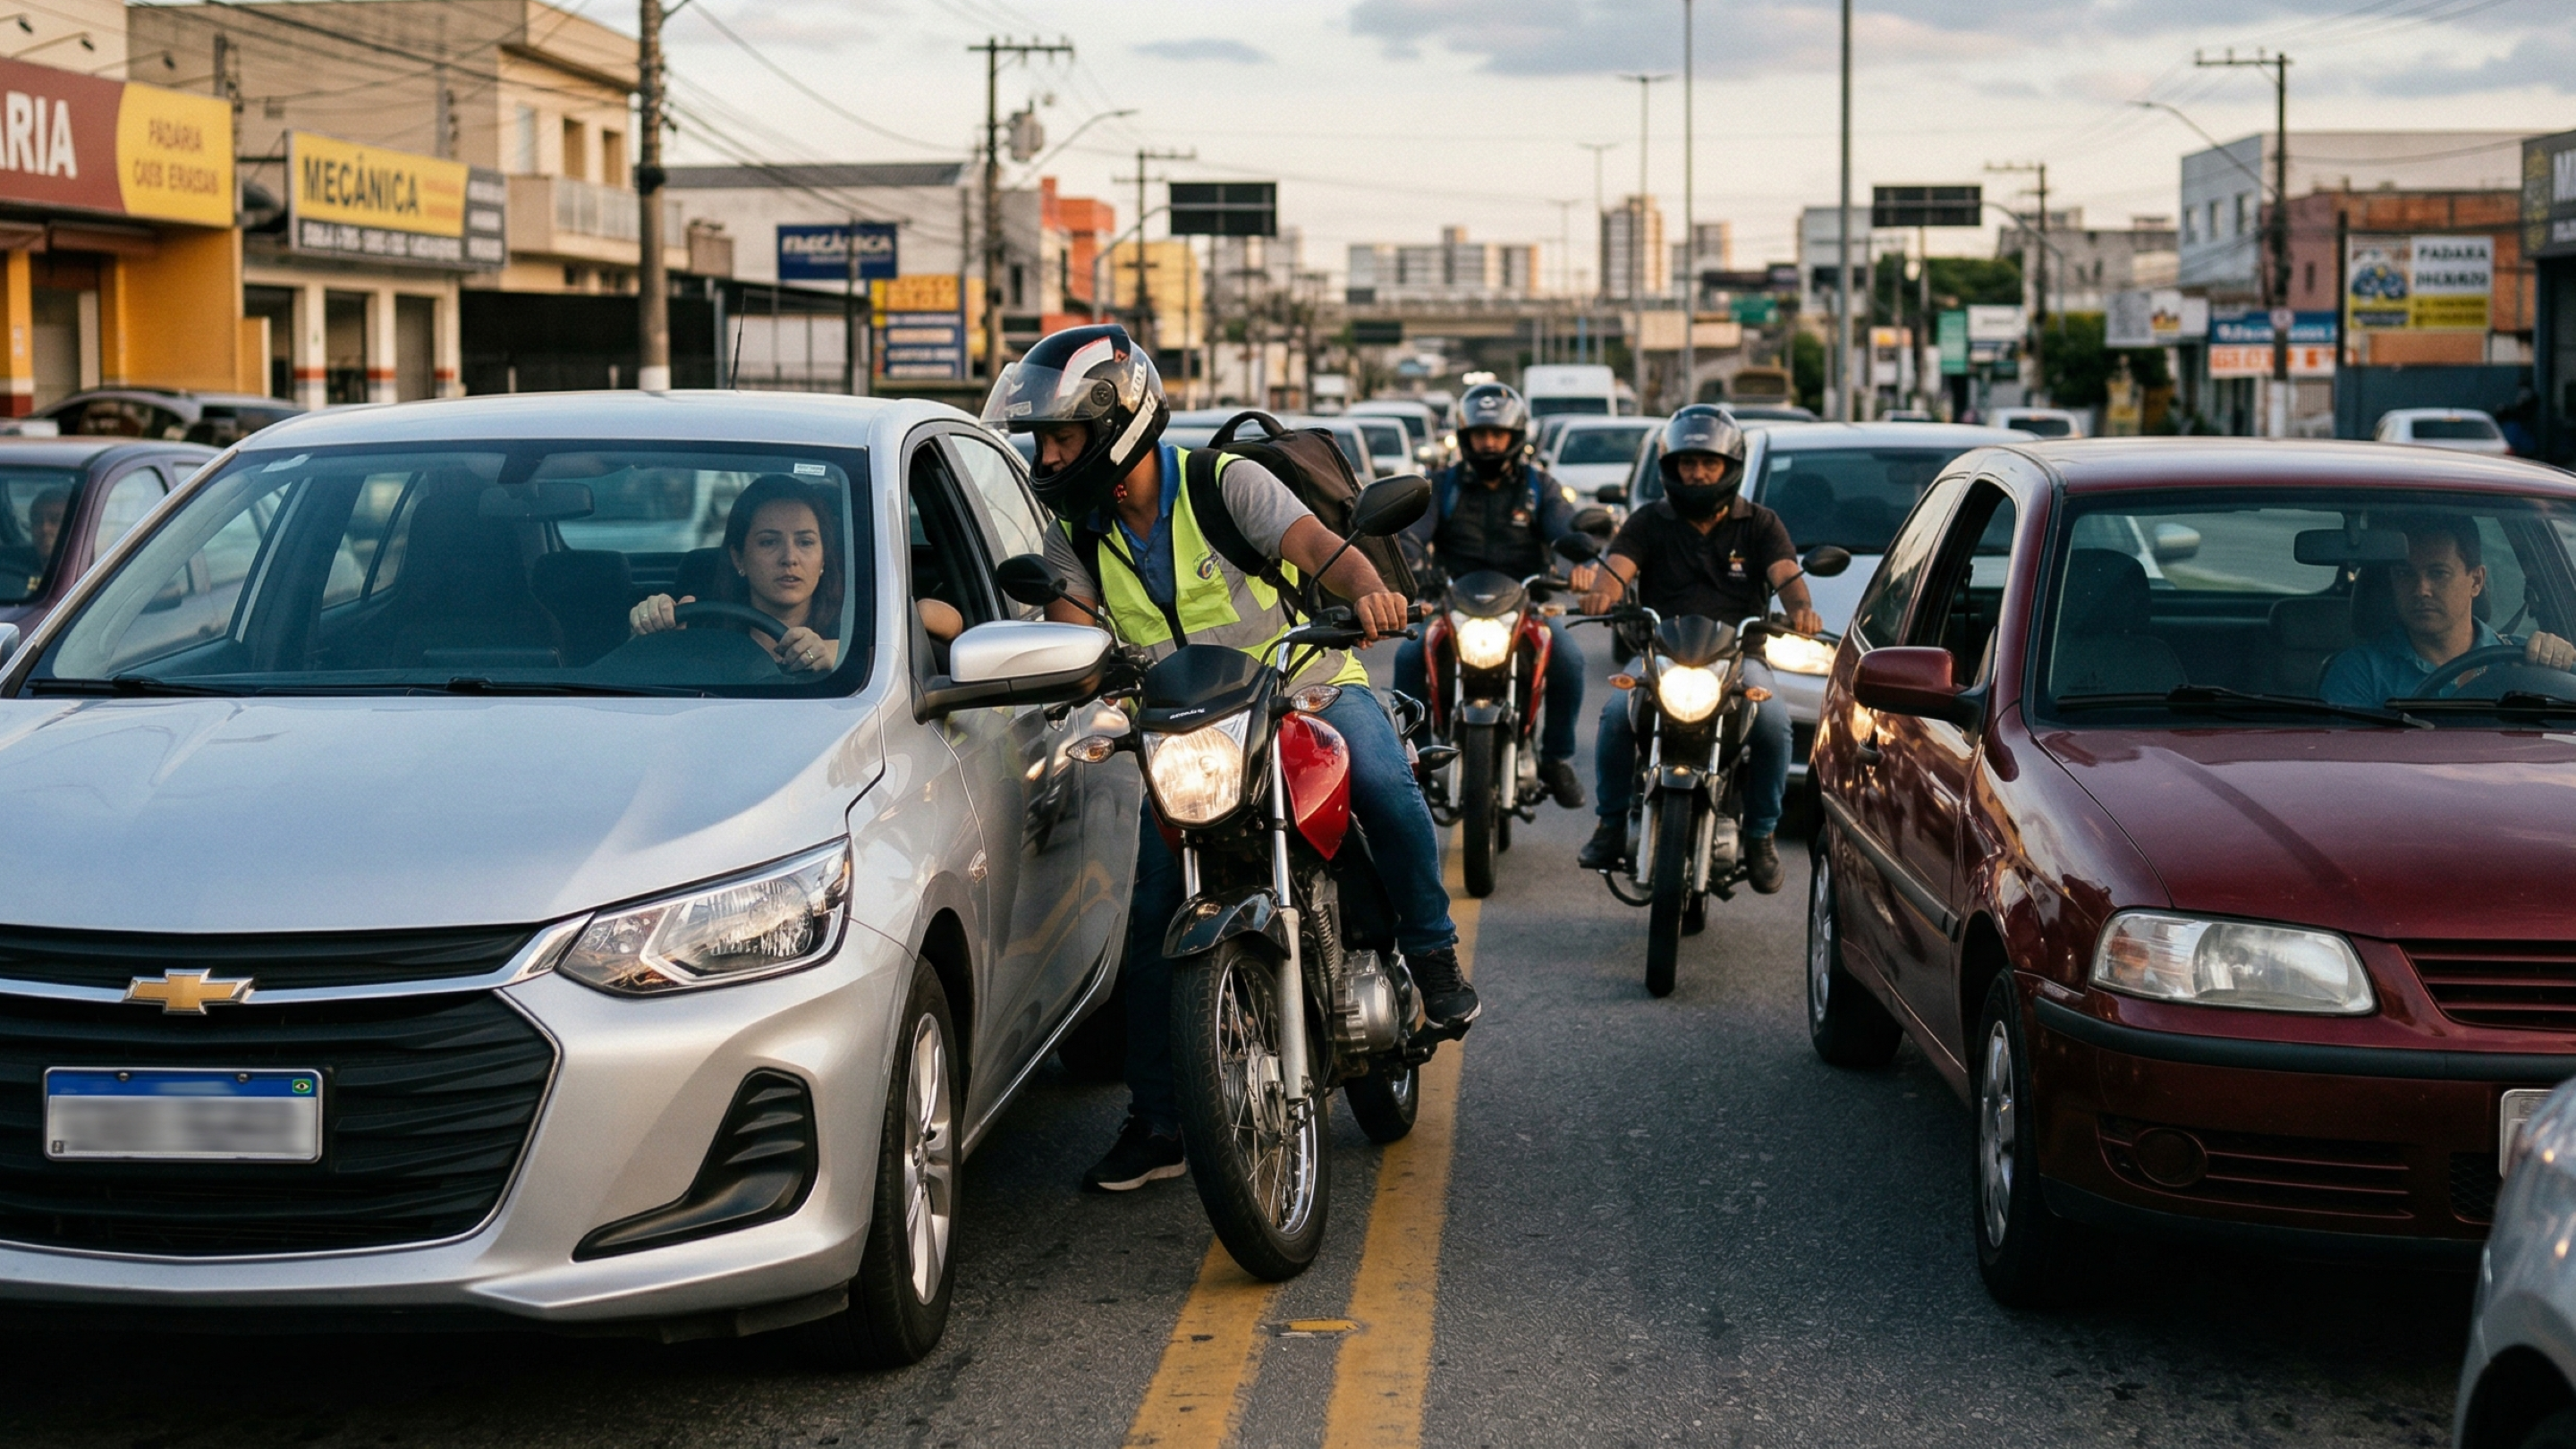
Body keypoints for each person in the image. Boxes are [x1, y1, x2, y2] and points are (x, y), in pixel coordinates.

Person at [986, 323, 1468, 1195]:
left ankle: (1433, 956)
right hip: (1189, 731)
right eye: (1043, 440)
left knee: (1388, 789)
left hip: (1302, 689)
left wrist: (1371, 594)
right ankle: (1162, 1121)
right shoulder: (1076, 534)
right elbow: (1071, 629)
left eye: (1064, 436)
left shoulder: (1222, 483)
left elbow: (1321, 549)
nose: (1050, 455)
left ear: (1118, 426)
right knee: (1149, 918)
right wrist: (1072, 675)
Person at [1574, 407, 1822, 894]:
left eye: (1708, 463)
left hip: (1739, 657)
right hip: (1661, 653)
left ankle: (1760, 834)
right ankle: (1608, 826)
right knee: (1612, 716)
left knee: (1773, 725)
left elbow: (1787, 579)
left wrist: (1802, 612)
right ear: (1672, 467)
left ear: (1730, 466)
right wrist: (1602, 591)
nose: (1698, 473)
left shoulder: (1761, 524)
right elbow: (1617, 568)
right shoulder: (1649, 521)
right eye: (1688, 463)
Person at [1393, 381, 1589, 809]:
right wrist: (1409, 575)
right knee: (1408, 657)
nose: (1488, 443)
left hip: (1526, 602)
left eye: (1496, 434)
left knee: (1570, 659)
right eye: (1480, 434)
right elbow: (1409, 536)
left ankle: (1556, 758)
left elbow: (1566, 533)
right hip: (1450, 600)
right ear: (1465, 437)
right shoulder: (1441, 486)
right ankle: (1416, 762)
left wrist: (1581, 569)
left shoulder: (1541, 487)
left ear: (1515, 437)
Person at [2319, 515, 2575, 707]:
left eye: (2438, 574)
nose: (2421, 590)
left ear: (2476, 581)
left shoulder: (2525, 661)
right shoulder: (2360, 672)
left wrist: (2561, 661)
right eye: (2405, 574)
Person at [627, 474, 855, 670]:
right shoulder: (702, 634)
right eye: (768, 542)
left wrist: (841, 655)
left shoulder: (864, 636)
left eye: (805, 542)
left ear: (824, 557)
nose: (790, 558)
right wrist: (650, 631)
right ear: (738, 558)